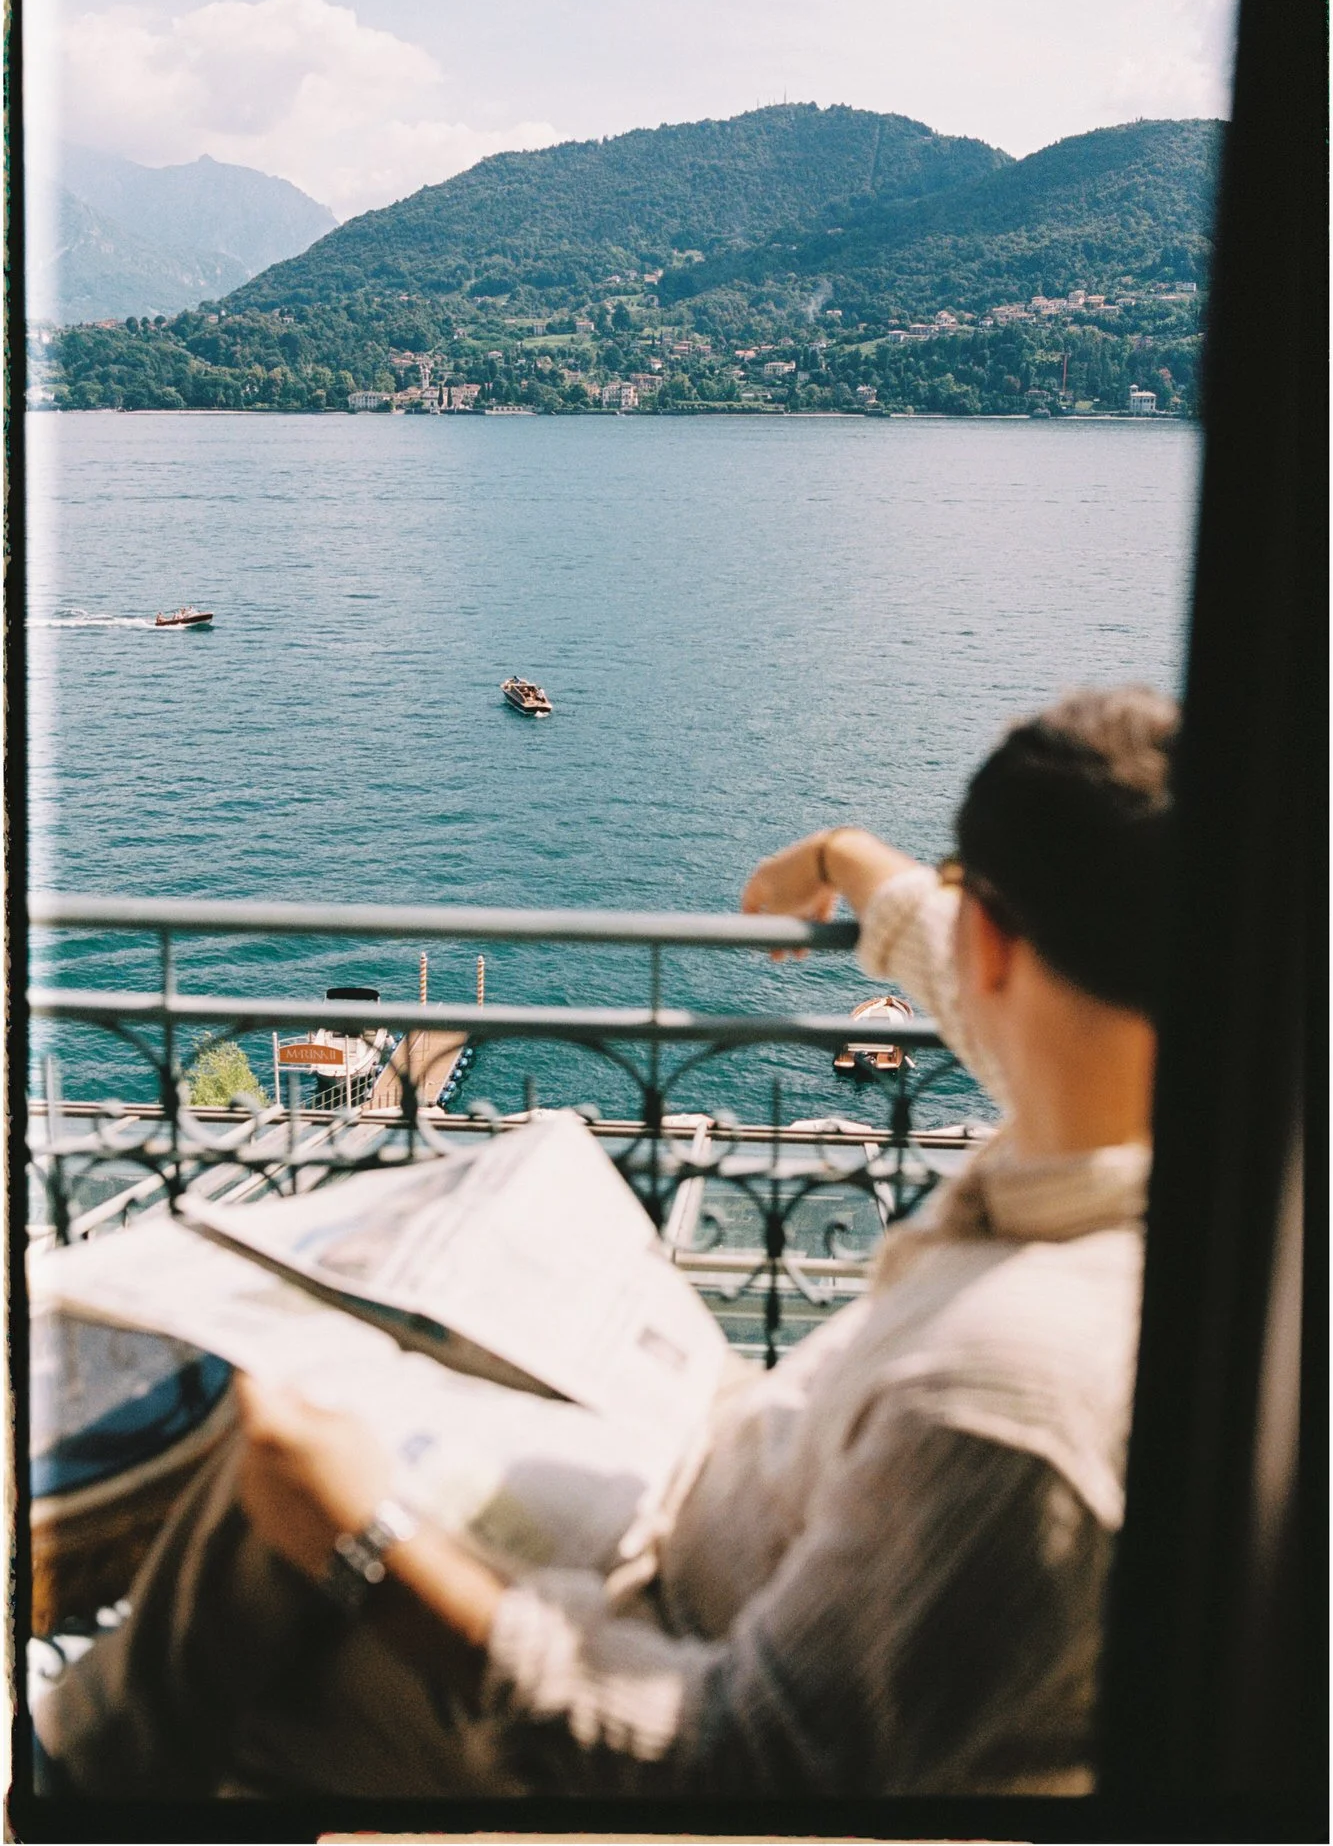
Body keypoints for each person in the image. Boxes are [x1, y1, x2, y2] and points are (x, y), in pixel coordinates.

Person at [35, 684, 1177, 1800]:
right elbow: (955, 963)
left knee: (260, 1538)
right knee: (347, 1392)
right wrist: (841, 854)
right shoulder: (1160, 1119)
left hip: (670, 1612)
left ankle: (60, 1778)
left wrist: (364, 1540)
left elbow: (746, 1763)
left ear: (995, 934)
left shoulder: (1008, 1393)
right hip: (732, 1485)